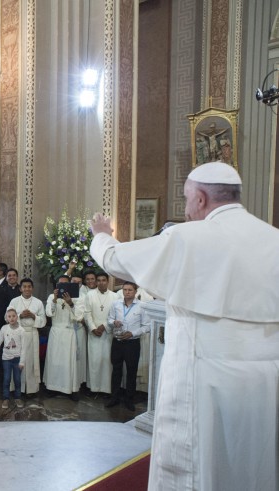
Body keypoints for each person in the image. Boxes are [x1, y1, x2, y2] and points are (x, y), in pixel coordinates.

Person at [89, 161, 279, 490]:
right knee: (250, 463)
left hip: (203, 379)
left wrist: (103, 236)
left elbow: (117, 260)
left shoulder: (188, 237)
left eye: (187, 199)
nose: (187, 209)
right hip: (264, 382)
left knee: (194, 468)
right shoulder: (273, 239)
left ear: (201, 198)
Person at [104, 282, 150, 410]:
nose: (127, 292)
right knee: (116, 370)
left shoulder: (142, 306)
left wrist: (133, 333)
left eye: (130, 290)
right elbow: (109, 319)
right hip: (117, 341)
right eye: (125, 290)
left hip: (132, 343)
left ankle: (129, 399)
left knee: (131, 371)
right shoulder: (116, 304)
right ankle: (114, 398)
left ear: (135, 292)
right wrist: (114, 322)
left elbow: (147, 326)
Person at [43, 276, 82, 401]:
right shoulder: (51, 297)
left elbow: (79, 317)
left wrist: (70, 303)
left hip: (69, 332)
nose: (63, 287)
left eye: (66, 284)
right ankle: (52, 387)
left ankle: (70, 389)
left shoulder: (77, 298)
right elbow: (49, 313)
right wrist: (55, 299)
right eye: (60, 285)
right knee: (54, 361)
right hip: (55, 332)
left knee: (68, 362)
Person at [6, 278, 46, 395]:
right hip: (17, 334)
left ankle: (31, 389)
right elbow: (6, 317)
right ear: (20, 288)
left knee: (31, 362)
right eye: (24, 286)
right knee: (18, 360)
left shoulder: (38, 302)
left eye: (29, 286)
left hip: (32, 334)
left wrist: (34, 316)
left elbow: (43, 320)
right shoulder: (14, 301)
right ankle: (17, 388)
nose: (27, 289)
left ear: (32, 288)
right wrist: (20, 316)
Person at [81, 272, 115, 394]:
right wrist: (93, 328)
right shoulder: (90, 295)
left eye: (103, 280)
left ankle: (106, 390)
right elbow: (87, 313)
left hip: (107, 332)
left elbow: (115, 315)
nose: (101, 282)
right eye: (99, 280)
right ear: (96, 282)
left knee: (106, 361)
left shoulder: (115, 296)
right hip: (94, 332)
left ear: (107, 281)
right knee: (94, 361)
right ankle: (93, 388)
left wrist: (104, 326)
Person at [0, 308, 28, 409]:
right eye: (9, 316)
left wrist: (22, 362)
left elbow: (24, 348)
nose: (11, 318)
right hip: (6, 359)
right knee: (6, 379)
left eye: (13, 316)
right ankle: (6, 398)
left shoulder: (22, 331)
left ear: (17, 317)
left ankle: (17, 397)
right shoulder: (4, 328)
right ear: (6, 318)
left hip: (17, 359)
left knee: (17, 379)